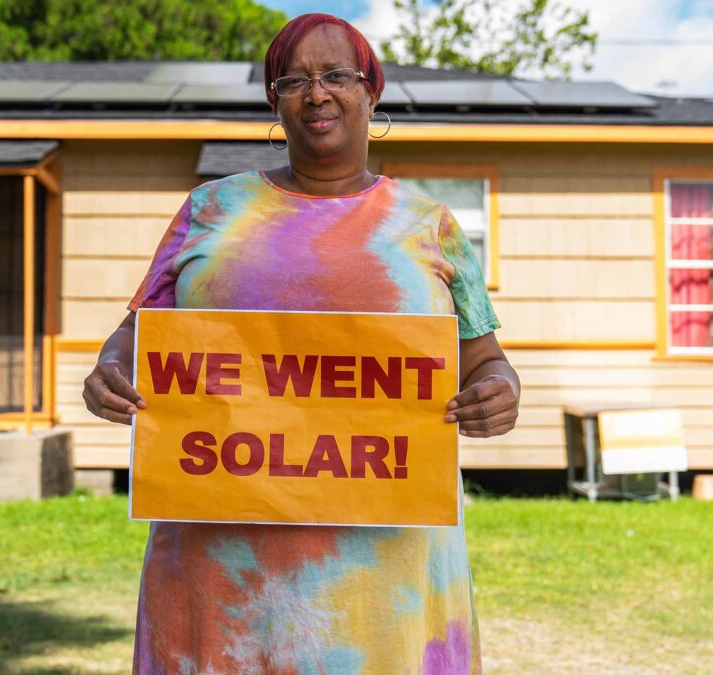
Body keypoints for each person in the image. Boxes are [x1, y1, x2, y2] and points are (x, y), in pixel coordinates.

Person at [82, 13, 520, 674]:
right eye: (295, 80)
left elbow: (484, 357)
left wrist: (500, 391)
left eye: (337, 76)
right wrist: (110, 369)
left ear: (371, 92)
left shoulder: (427, 226)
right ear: (273, 102)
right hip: (221, 575)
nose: (317, 93)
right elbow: (134, 337)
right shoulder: (211, 210)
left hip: (384, 579)